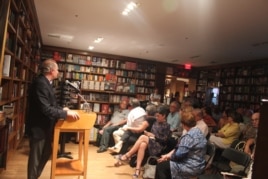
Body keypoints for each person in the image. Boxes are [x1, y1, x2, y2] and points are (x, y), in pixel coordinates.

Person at [26, 59, 80, 179]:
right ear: (51, 70)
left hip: (45, 127)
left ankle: (35, 176)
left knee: (46, 153)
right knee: (35, 158)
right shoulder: (40, 83)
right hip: (38, 128)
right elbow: (45, 109)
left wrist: (63, 109)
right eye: (57, 69)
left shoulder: (47, 83)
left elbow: (52, 104)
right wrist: (65, 114)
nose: (58, 71)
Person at [117, 105, 171, 178]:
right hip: (151, 142)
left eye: (158, 116)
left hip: (158, 146)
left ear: (164, 116)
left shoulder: (167, 126)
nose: (157, 117)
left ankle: (127, 155)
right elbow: (149, 125)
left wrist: (153, 136)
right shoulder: (155, 121)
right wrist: (148, 134)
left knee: (142, 137)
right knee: (142, 144)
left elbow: (164, 140)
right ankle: (137, 170)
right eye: (156, 116)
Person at [155, 111, 207, 179]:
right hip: (200, 165)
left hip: (191, 167)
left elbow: (179, 155)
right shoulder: (199, 132)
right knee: (165, 163)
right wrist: (168, 156)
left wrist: (168, 158)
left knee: (161, 166)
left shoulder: (189, 136)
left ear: (183, 124)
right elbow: (180, 149)